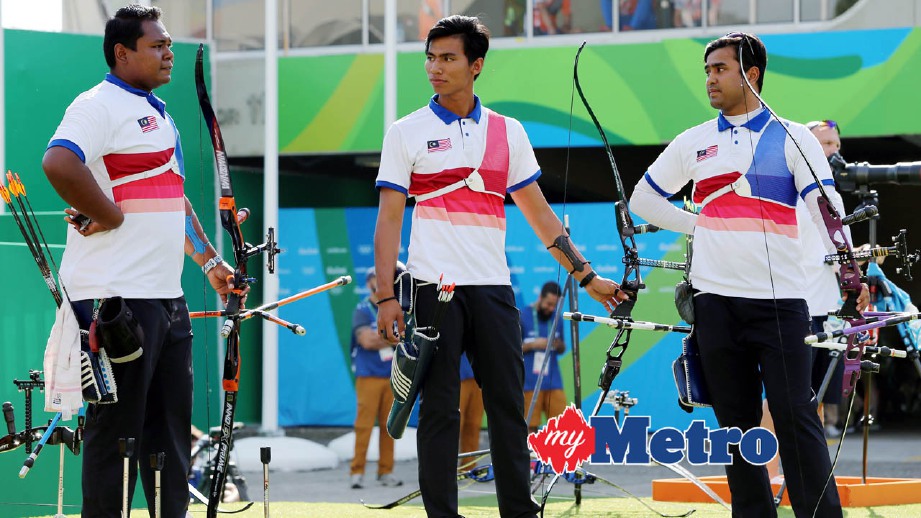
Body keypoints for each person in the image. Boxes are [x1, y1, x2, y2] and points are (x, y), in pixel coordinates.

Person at [373, 15, 627, 517]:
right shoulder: (406, 132)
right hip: (432, 289)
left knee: (509, 407)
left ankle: (519, 509)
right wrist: (384, 295)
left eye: (448, 58)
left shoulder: (507, 132)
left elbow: (539, 214)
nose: (435, 68)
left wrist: (588, 277)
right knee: (441, 409)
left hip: (492, 289)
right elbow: (388, 221)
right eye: (430, 57)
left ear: (476, 65)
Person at [630, 32, 869, 517]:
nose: (710, 79)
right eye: (707, 70)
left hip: (780, 305)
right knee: (735, 428)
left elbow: (826, 207)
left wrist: (849, 270)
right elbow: (643, 198)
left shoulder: (793, 136)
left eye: (720, 69)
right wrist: (700, 221)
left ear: (751, 74)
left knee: (795, 416)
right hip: (714, 305)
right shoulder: (694, 140)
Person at [41, 5, 237, 516]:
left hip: (165, 299)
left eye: (169, 44)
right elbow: (58, 161)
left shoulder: (159, 111)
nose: (169, 53)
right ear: (122, 53)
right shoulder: (97, 105)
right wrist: (107, 214)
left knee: (170, 438)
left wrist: (208, 260)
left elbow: (173, 197)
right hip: (114, 300)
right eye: (157, 45)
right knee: (115, 438)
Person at [761, 118, 848, 481]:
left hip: (828, 310)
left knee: (816, 399)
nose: (831, 150)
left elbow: (841, 252)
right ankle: (767, 472)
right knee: (780, 397)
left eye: (834, 143)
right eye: (823, 143)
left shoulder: (835, 196)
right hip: (793, 307)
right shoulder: (786, 190)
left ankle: (809, 475)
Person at [349, 269, 403, 489]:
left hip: (392, 376)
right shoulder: (362, 310)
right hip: (369, 375)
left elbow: (404, 335)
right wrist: (392, 337)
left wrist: (386, 337)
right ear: (371, 283)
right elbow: (367, 342)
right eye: (377, 280)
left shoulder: (396, 308)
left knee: (389, 426)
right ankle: (357, 471)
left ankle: (385, 471)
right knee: (364, 425)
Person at [521, 281, 567, 433]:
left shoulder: (557, 318)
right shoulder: (523, 316)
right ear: (540, 297)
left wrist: (557, 344)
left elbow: (562, 348)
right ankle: (529, 458)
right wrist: (533, 345)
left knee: (561, 426)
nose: (551, 308)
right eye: (549, 304)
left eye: (555, 305)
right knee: (529, 428)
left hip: (553, 382)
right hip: (529, 383)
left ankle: (558, 457)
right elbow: (513, 350)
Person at [458, 352, 484, 467]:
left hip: (479, 376)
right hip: (458, 374)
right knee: (455, 423)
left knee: (474, 423)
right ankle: (446, 467)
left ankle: (468, 466)